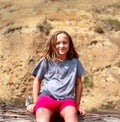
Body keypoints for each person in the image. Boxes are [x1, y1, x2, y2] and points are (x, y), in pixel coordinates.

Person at [27, 30, 86, 122]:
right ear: (52, 45)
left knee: (71, 114)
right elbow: (37, 80)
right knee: (42, 115)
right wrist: (35, 102)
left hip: (67, 100)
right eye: (58, 43)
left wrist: (77, 106)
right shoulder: (46, 61)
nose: (61, 46)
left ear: (69, 44)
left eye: (65, 43)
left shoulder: (75, 62)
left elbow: (79, 84)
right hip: (46, 98)